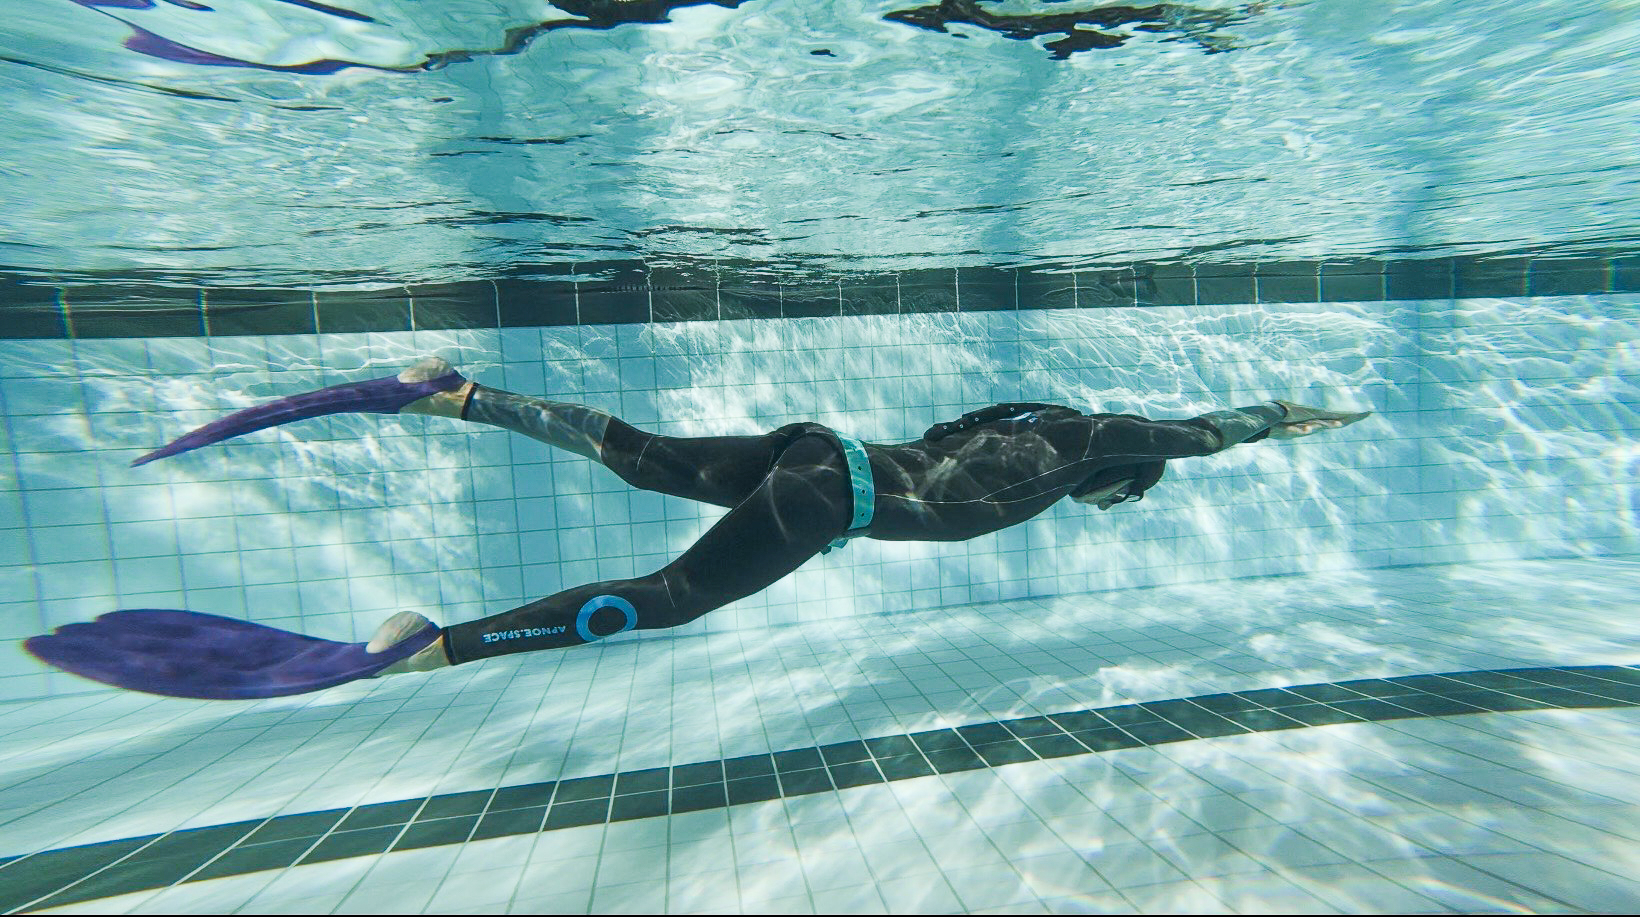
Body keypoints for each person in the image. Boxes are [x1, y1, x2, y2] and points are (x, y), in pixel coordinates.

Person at [31, 357, 1368, 698]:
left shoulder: (1030, 420)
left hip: (823, 451)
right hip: (836, 498)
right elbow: (1198, 431)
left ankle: (456, 396)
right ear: (1121, 473)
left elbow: (945, 442)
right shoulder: (1099, 443)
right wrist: (1283, 417)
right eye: (1125, 495)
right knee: (664, 598)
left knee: (636, 455)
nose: (1112, 504)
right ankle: (433, 645)